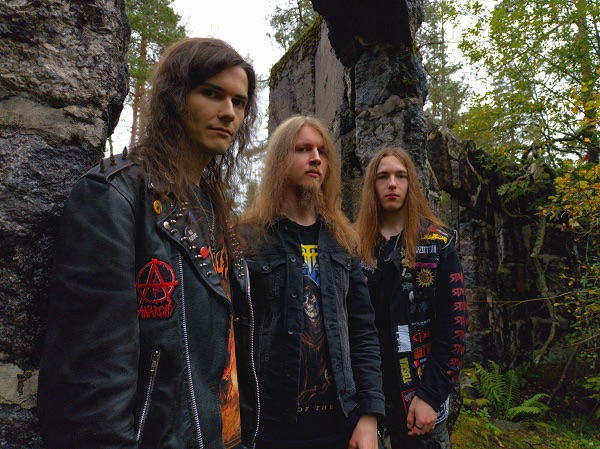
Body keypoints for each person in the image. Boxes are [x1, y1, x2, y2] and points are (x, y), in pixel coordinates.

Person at [37, 37, 260, 449]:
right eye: (211, 93)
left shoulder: (214, 206)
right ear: (175, 98)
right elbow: (92, 388)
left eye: (239, 102)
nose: (229, 112)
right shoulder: (114, 197)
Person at [238, 115, 385, 449]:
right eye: (303, 149)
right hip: (270, 428)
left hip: (341, 425)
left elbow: (363, 332)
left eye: (322, 151)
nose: (316, 158)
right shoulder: (248, 238)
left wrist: (369, 416)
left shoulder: (343, 240)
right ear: (279, 160)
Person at [355, 148, 468, 449]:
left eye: (400, 176)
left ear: (411, 183)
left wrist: (430, 396)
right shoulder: (354, 249)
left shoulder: (438, 244)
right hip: (368, 405)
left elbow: (455, 329)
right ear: (372, 185)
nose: (392, 183)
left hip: (420, 406)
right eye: (383, 177)